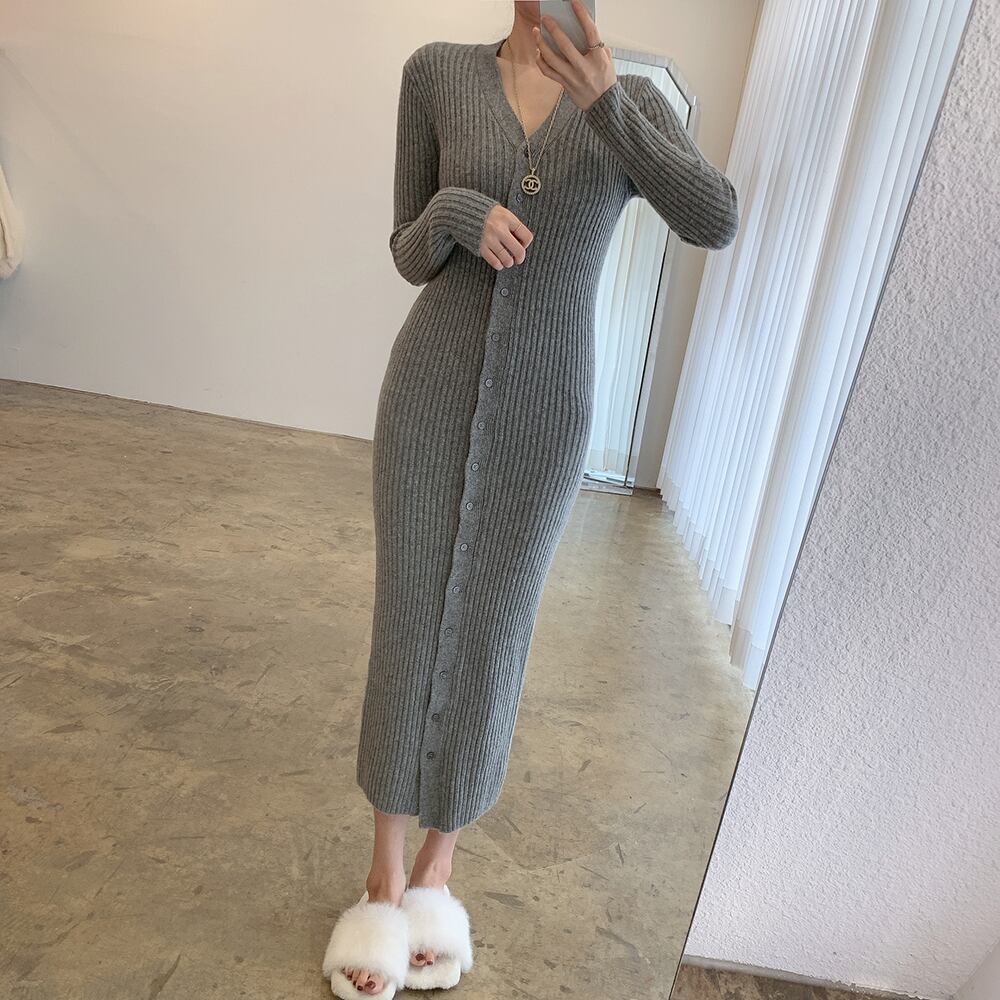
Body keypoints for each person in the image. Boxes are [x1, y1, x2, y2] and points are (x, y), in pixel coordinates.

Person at [323, 2, 739, 995]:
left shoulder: (633, 97)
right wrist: (456, 216)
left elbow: (715, 219)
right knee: (408, 617)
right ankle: (383, 873)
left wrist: (607, 107)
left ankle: (438, 869)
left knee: (496, 626)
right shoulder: (435, 72)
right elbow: (407, 249)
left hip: (545, 413)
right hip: (427, 391)